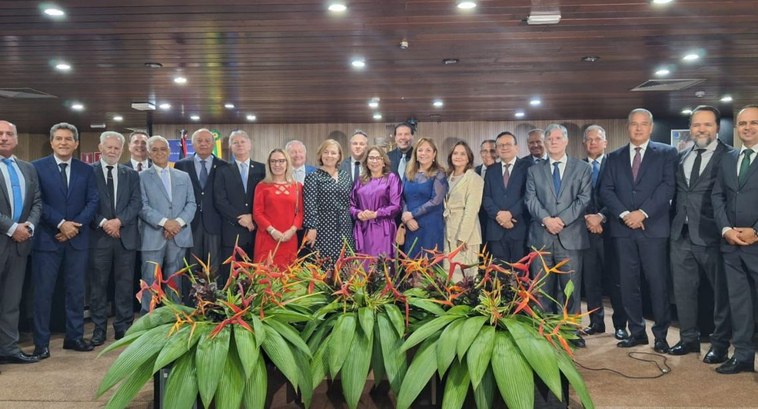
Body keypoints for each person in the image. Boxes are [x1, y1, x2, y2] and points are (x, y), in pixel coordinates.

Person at [599, 108, 677, 353]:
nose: (639, 128)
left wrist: (642, 213)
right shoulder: (613, 157)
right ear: (627, 127)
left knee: (657, 283)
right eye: (634, 124)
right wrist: (625, 215)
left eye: (644, 124)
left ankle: (662, 335)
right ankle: (637, 332)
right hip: (623, 230)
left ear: (651, 127)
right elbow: (606, 191)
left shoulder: (667, 153)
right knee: (627, 283)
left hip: (653, 228)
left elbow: (668, 187)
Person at [668, 106, 732, 359]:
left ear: (717, 127)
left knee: (720, 293)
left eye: (707, 124)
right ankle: (689, 339)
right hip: (680, 234)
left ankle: (720, 344)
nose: (701, 129)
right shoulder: (682, 156)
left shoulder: (730, 156)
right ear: (690, 128)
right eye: (696, 125)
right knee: (683, 291)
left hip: (712, 234)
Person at [32, 122, 99, 357]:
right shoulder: (36, 168)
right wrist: (62, 223)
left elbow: (93, 202)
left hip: (77, 240)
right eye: (59, 138)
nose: (63, 142)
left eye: (68, 139)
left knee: (76, 291)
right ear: (51, 142)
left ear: (76, 143)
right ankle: (41, 343)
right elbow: (38, 201)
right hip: (47, 239)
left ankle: (74, 337)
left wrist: (75, 227)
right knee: (43, 293)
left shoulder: (87, 169)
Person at [525, 124, 592, 348]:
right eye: (549, 139)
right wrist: (547, 220)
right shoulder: (534, 170)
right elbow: (530, 200)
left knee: (570, 288)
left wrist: (560, 220)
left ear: (565, 141)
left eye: (557, 138)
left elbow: (583, 199)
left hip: (570, 236)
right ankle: (543, 330)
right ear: (545, 143)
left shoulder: (582, 168)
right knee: (541, 287)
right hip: (541, 236)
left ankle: (571, 331)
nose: (553, 142)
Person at [711, 104, 758, 374]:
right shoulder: (728, 158)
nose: (747, 128)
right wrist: (726, 229)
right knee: (739, 303)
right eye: (743, 124)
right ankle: (742, 356)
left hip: (756, 242)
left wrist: (756, 231)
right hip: (731, 244)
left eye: (754, 123)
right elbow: (718, 196)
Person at [88, 132, 141, 345]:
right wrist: (104, 223)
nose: (112, 151)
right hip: (98, 237)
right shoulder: (88, 172)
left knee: (125, 285)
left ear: (122, 150)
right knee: (98, 286)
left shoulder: (131, 174)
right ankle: (99, 330)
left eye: (116, 148)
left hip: (124, 237)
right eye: (109, 147)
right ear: (100, 148)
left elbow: (136, 203)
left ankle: (123, 328)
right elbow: (85, 202)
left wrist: (118, 222)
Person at [580, 125, 628, 340]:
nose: (593, 143)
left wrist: (601, 217)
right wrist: (589, 219)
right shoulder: (577, 167)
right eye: (589, 140)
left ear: (605, 142)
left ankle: (620, 324)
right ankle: (596, 322)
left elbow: (621, 196)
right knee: (591, 281)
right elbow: (574, 197)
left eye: (597, 139)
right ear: (584, 144)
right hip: (586, 231)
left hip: (612, 231)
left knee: (616, 280)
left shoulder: (617, 164)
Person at [138, 136, 196, 314]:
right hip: (153, 236)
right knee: (150, 280)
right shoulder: (141, 177)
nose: (159, 153)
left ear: (170, 152)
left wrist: (177, 223)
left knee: (175, 279)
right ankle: (148, 320)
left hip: (179, 235)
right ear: (148, 153)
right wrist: (165, 223)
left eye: (163, 149)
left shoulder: (183, 176)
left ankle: (174, 316)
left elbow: (191, 204)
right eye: (154, 149)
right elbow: (141, 206)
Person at [0, 120, 42, 364]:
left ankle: (9, 349)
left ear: (16, 139)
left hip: (20, 244)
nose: (4, 138)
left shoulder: (27, 168)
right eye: (0, 134)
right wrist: (12, 227)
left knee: (11, 301)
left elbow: (36, 201)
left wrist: (29, 226)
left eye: (9, 134)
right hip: (6, 236)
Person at [174, 128, 224, 281]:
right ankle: (191, 303)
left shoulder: (223, 165)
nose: (203, 144)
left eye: (207, 141)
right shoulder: (181, 165)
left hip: (214, 223)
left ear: (213, 143)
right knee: (191, 266)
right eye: (199, 141)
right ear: (192, 144)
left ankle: (215, 303)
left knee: (214, 267)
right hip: (190, 223)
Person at [213, 130, 266, 277]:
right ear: (230, 147)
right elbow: (220, 200)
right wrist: (239, 218)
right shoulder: (222, 170)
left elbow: (266, 199)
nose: (239, 145)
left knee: (256, 275)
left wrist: (253, 217)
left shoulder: (263, 169)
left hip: (256, 231)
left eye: (243, 141)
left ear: (250, 145)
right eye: (235, 142)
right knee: (231, 276)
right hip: (232, 232)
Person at [303, 139, 355, 269]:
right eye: (326, 152)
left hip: (345, 225)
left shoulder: (345, 176)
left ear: (339, 156)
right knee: (324, 264)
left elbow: (351, 201)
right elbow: (310, 205)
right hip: (322, 227)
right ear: (320, 154)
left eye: (333, 153)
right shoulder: (313, 177)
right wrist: (312, 228)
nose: (329, 156)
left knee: (345, 263)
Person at [482, 132, 532, 264]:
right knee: (498, 275)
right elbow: (486, 197)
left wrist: (510, 214)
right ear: (497, 150)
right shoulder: (491, 170)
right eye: (500, 145)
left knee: (521, 274)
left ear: (517, 147)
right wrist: (499, 215)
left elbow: (529, 195)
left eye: (508, 144)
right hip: (495, 229)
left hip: (519, 227)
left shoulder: (528, 167)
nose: (504, 147)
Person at [349, 146, 402, 260]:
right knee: (363, 267)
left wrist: (376, 214)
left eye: (378, 158)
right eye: (371, 158)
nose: (374, 161)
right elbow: (351, 204)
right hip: (363, 229)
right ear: (366, 161)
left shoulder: (392, 178)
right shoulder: (360, 180)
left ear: (384, 162)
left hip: (383, 230)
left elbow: (396, 205)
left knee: (382, 267)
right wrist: (358, 213)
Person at [253, 149, 303, 269]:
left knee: (288, 278)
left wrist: (291, 231)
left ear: (287, 163)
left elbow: (300, 212)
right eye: (273, 161)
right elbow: (257, 213)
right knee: (265, 278)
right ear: (269, 164)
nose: (277, 165)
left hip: (289, 238)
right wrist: (272, 231)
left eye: (281, 161)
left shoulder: (297, 186)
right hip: (267, 238)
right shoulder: (262, 186)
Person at [444, 141, 484, 281]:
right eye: (455, 153)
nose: (458, 156)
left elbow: (472, 210)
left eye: (462, 154)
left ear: (468, 158)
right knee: (449, 276)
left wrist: (463, 237)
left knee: (466, 278)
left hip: (466, 234)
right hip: (448, 231)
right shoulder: (446, 177)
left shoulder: (474, 179)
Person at [401, 137, 447, 258]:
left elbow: (436, 201)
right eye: (420, 150)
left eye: (428, 150)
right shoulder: (408, 173)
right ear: (415, 153)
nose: (424, 153)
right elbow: (402, 197)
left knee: (429, 267)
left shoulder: (439, 174)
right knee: (412, 265)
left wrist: (412, 214)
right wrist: (407, 217)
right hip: (411, 226)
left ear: (434, 154)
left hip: (430, 227)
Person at [475, 139, 497, 242]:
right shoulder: (474, 172)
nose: (488, 154)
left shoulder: (503, 172)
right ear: (480, 153)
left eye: (492, 151)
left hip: (496, 221)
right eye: (485, 151)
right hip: (477, 220)